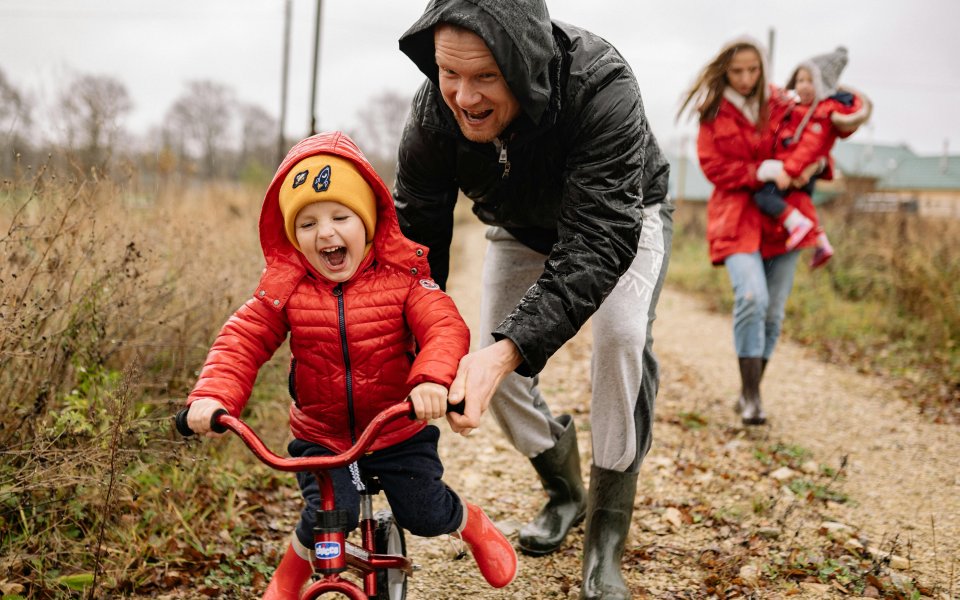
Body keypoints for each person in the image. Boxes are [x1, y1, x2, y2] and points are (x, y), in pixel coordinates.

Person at [394, 1, 672, 598]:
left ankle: (605, 539)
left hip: (622, 216)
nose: (463, 97)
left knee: (619, 337)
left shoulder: (602, 85)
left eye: (486, 76)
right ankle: (565, 489)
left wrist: (505, 351)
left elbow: (599, 240)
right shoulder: (431, 115)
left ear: (524, 66)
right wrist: (420, 353)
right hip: (520, 227)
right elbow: (416, 246)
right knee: (493, 352)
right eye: (449, 73)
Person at [183, 131, 517, 598]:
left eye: (341, 216)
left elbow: (444, 328)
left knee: (423, 511)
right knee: (325, 520)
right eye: (307, 224)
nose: (326, 233)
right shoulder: (286, 288)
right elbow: (242, 339)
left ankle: (470, 522)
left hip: (398, 428)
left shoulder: (402, 279)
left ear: (369, 222)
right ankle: (290, 577)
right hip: (322, 433)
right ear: (291, 236)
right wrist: (214, 395)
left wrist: (431, 380)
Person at [677, 36, 802, 427]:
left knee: (774, 311)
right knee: (752, 297)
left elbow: (816, 138)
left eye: (753, 69)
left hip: (783, 217)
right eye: (737, 70)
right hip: (735, 217)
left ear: (762, 69)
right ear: (725, 71)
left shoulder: (783, 103)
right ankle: (750, 395)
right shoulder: (713, 111)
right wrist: (757, 171)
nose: (746, 78)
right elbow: (713, 167)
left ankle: (752, 392)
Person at [755, 46, 872, 268]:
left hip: (795, 170)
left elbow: (809, 147)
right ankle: (820, 241)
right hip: (797, 169)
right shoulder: (796, 109)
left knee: (764, 197)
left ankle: (797, 225)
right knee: (800, 201)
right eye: (800, 80)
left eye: (811, 81)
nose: (803, 86)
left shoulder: (820, 114)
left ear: (823, 86)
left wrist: (789, 172)